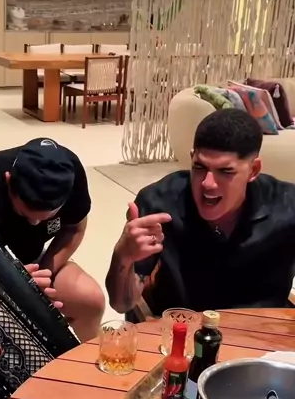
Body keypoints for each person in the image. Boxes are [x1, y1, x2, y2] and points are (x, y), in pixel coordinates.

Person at [106, 108, 295, 317]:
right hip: (180, 327)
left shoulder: (288, 205)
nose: (207, 183)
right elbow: (121, 304)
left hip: (263, 329)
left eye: (225, 171)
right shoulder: (159, 201)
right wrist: (123, 257)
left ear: (253, 170)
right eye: (199, 167)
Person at [0, 138, 105, 341]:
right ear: (8, 181)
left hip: (26, 261)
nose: (34, 223)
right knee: (4, 334)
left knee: (90, 301)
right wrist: (18, 286)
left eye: (45, 217)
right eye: (24, 214)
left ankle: (88, 359)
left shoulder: (70, 174)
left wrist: (42, 276)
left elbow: (74, 229)